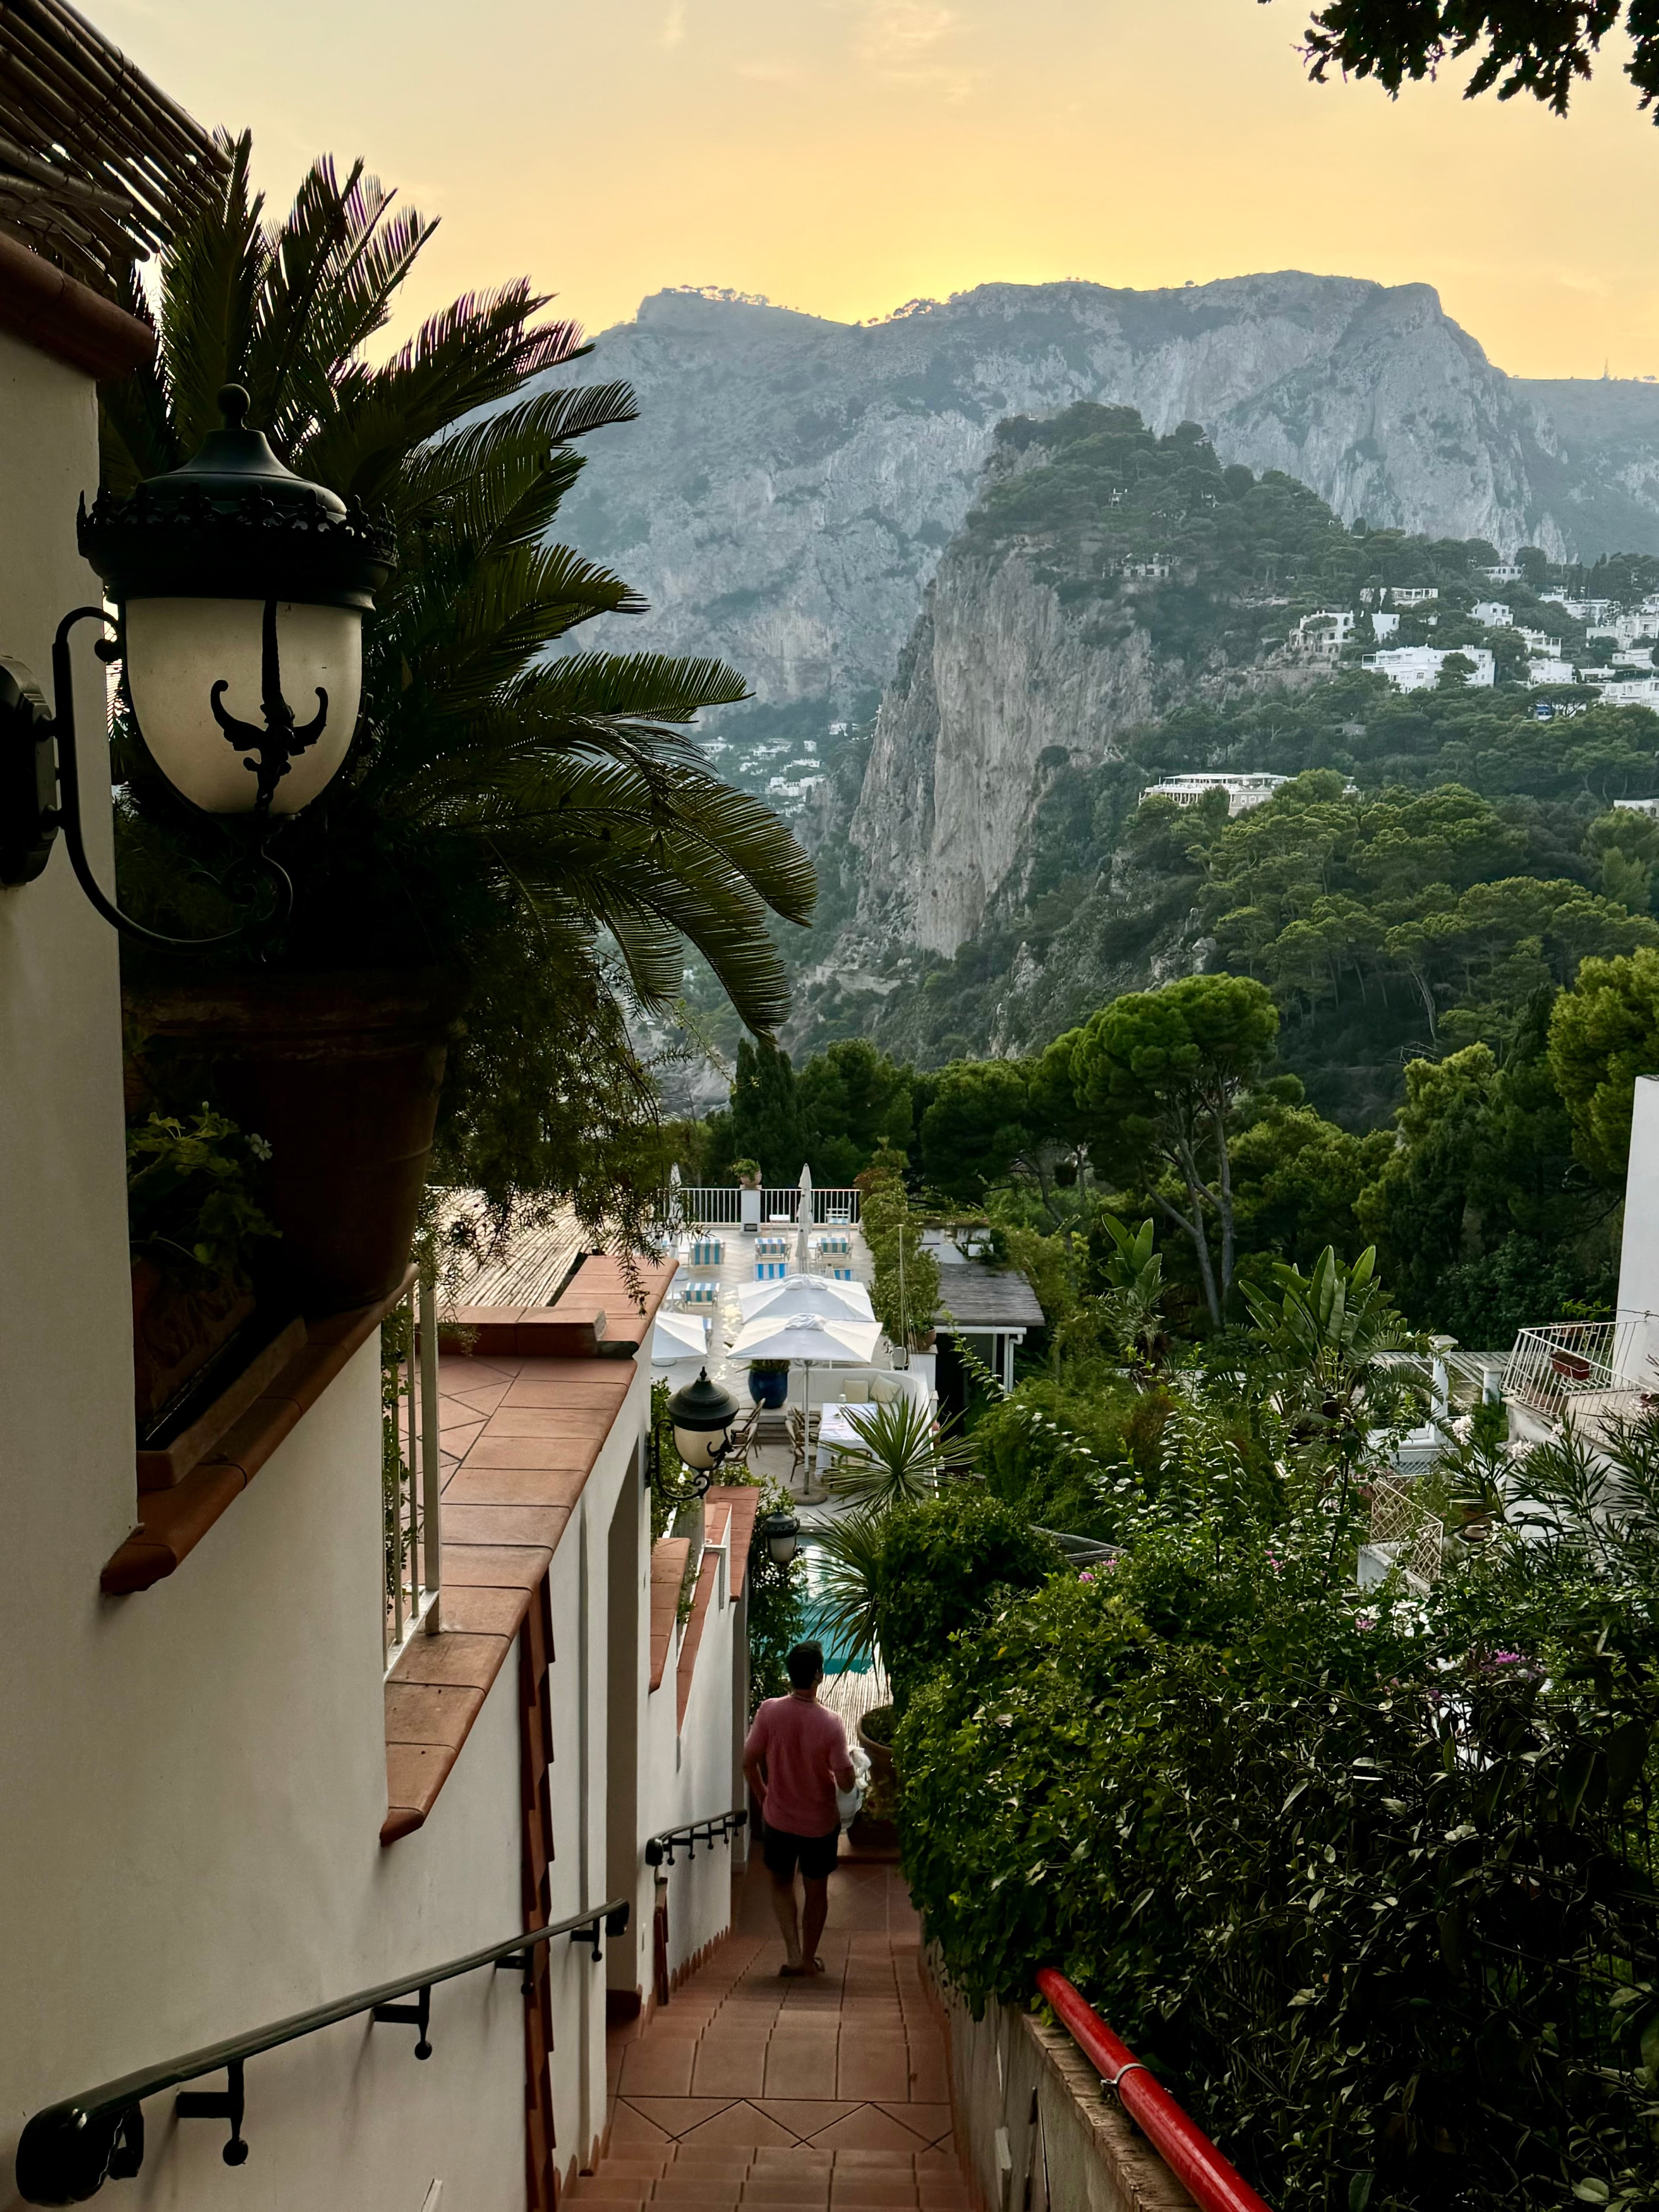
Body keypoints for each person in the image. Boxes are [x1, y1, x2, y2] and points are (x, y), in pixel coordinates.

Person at [742, 1640, 855, 1977]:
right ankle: (808, 1958)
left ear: (790, 1674)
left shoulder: (769, 1711)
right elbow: (846, 1781)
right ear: (819, 1676)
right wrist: (848, 1776)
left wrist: (764, 1797)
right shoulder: (831, 1723)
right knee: (816, 1890)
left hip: (778, 1820)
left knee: (780, 1883)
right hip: (819, 1823)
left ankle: (792, 1954)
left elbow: (749, 1762)